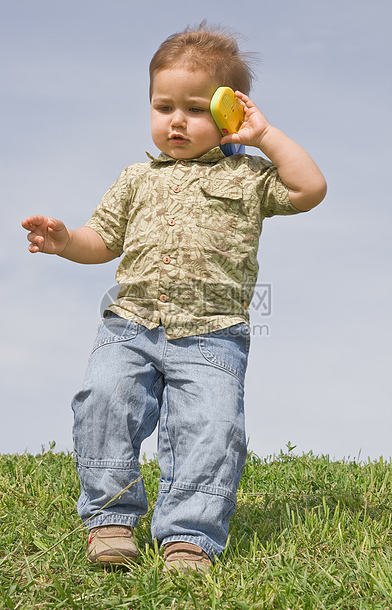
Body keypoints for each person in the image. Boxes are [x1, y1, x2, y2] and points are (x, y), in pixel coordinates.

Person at [22, 24, 326, 572]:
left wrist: (266, 136)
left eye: (196, 108)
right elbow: (102, 240)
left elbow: (309, 189)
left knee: (210, 428)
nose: (177, 121)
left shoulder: (250, 176)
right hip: (130, 323)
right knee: (104, 399)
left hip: (214, 333)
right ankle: (112, 520)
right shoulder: (136, 178)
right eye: (164, 107)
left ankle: (188, 536)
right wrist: (66, 242)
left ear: (232, 113)